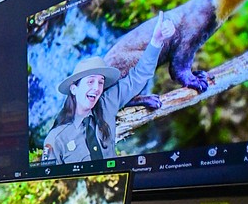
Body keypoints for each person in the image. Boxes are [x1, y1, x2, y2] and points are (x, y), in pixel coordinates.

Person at [42, 14, 176, 165]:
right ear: (74, 89)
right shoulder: (56, 138)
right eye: (90, 81)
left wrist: (156, 41)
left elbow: (138, 76)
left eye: (100, 82)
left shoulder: (107, 103)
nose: (97, 88)